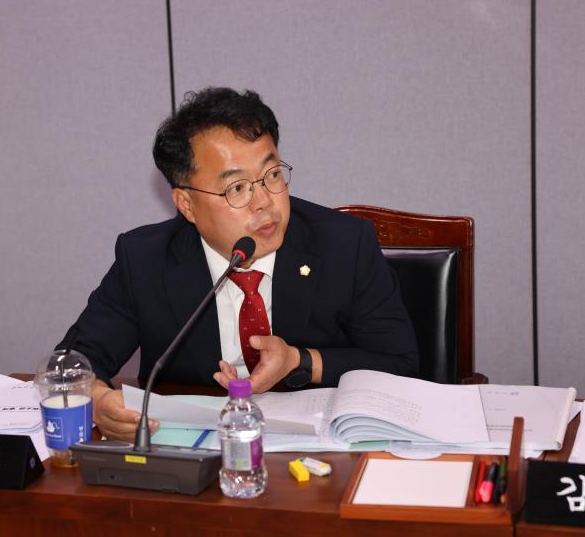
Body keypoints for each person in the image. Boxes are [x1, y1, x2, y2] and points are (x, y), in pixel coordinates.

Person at [63, 87, 418, 441]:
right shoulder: (145, 260)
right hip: (195, 453)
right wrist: (97, 401)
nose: (264, 201)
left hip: (318, 453)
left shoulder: (344, 244)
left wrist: (300, 361)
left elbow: (400, 363)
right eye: (236, 188)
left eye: (272, 175)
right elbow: (71, 362)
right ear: (186, 204)